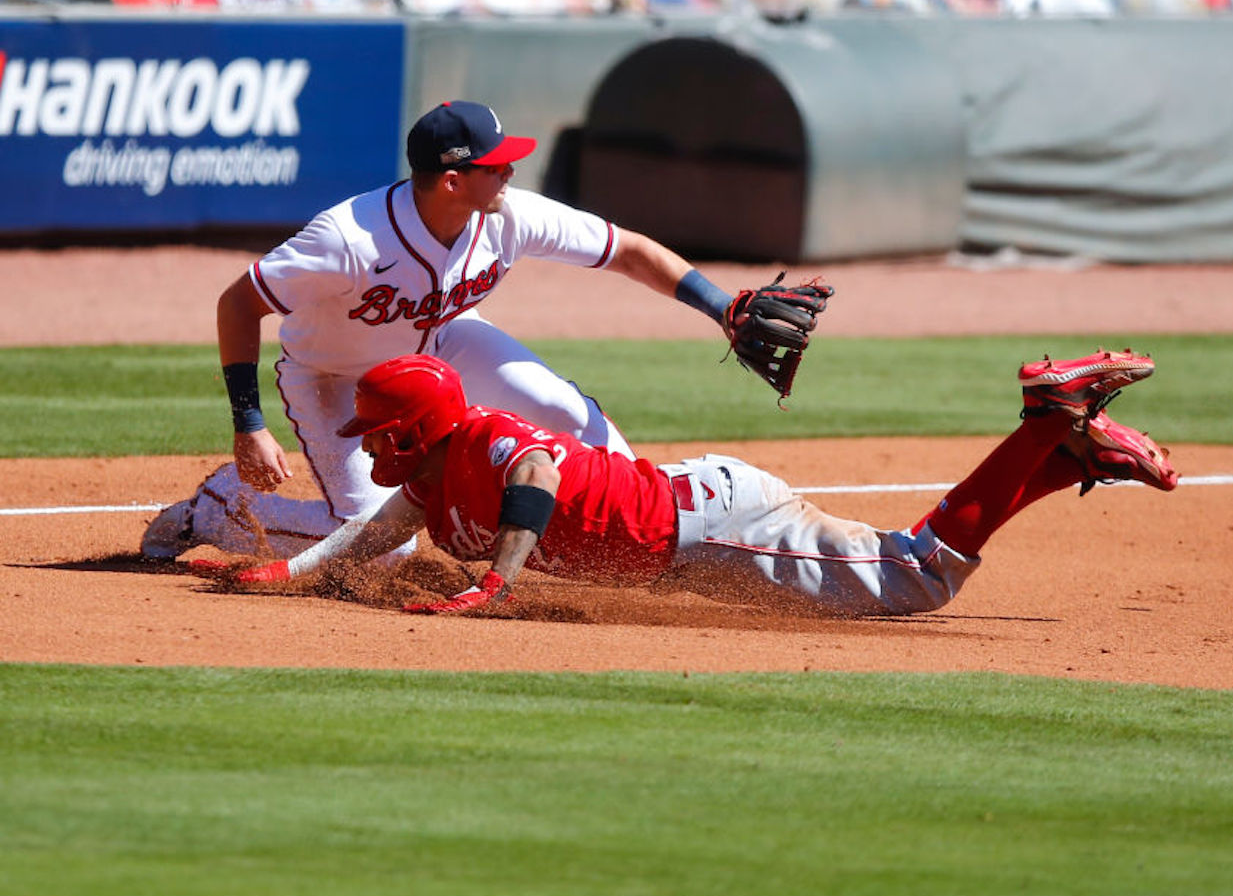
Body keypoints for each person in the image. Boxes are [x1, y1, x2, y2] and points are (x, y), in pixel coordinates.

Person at [142, 100, 778, 563]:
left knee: (568, 416)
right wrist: (248, 422)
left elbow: (628, 250)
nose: (510, 174)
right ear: (452, 180)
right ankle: (220, 507)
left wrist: (720, 307)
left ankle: (627, 542)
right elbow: (238, 303)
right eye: (496, 165)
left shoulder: (508, 215)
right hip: (337, 379)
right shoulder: (346, 240)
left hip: (443, 343)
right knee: (378, 547)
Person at [225, 348, 1179, 617]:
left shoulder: (482, 445)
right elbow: (375, 533)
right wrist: (296, 573)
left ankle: (1046, 425)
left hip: (706, 528)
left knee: (917, 580)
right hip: (696, 524)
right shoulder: (435, 477)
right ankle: (1060, 458)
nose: (372, 447)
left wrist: (497, 579)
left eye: (381, 433)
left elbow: (538, 473)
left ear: (415, 430)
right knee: (903, 561)